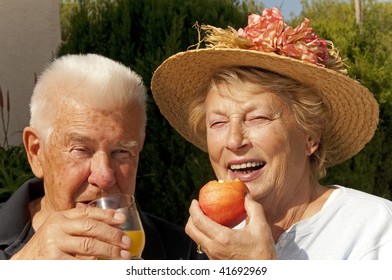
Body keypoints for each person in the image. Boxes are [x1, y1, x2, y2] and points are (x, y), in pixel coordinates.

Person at [151, 7, 392, 259]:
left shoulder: (375, 231)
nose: (234, 140)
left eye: (257, 118)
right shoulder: (219, 241)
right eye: (218, 123)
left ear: (311, 136)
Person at [0, 53, 201, 260]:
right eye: (81, 150)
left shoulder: (180, 253)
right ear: (36, 152)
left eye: (121, 152)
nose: (104, 177)